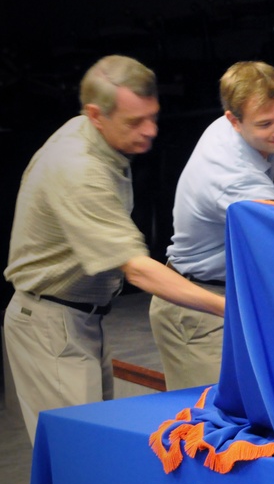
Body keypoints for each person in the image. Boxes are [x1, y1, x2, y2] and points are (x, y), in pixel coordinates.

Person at [3, 55, 225, 444]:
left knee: (92, 450)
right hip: (51, 324)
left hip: (79, 318)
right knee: (77, 457)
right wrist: (228, 307)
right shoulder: (79, 169)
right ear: (95, 114)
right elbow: (137, 270)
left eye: (153, 117)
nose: (151, 131)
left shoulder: (93, 135)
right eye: (135, 122)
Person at [148, 61, 274, 390]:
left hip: (221, 293)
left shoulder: (237, 129)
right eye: (266, 123)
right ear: (234, 120)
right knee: (212, 426)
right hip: (197, 307)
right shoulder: (237, 178)